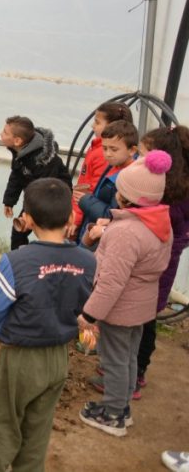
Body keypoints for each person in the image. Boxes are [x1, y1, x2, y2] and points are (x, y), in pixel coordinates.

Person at [0, 178, 96, 470]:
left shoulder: (17, 261)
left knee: (1, 424)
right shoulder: (88, 261)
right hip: (58, 357)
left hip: (21, 357)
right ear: (71, 216)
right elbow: (84, 303)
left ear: (27, 219)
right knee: (37, 431)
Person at [78, 151, 173, 437]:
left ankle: (113, 415)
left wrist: (89, 314)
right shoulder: (157, 222)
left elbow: (111, 282)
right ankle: (122, 408)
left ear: (127, 196)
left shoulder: (126, 232)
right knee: (129, 357)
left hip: (120, 309)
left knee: (114, 360)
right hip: (141, 306)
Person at [133, 127, 189, 396]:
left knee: (144, 317)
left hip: (159, 261)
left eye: (143, 157)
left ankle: (136, 371)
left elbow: (176, 232)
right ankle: (131, 367)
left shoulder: (171, 193)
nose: (139, 161)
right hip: (161, 258)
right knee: (144, 315)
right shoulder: (173, 185)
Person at [0, 116, 71, 250]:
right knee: (19, 231)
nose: (0, 134)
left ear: (17, 140)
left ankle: (52, 263)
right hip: (36, 196)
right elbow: (16, 176)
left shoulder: (43, 161)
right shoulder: (21, 152)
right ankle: (20, 264)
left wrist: (28, 214)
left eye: (5, 132)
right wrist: (9, 201)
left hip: (55, 200)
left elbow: (43, 190)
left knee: (49, 235)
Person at [70, 102, 134, 238]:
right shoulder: (102, 151)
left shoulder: (104, 156)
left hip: (93, 221)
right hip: (88, 214)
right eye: (106, 148)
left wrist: (76, 219)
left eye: (97, 122)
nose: (92, 126)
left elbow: (91, 193)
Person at [76, 120, 139, 249]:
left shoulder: (128, 180)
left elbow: (113, 215)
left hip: (102, 241)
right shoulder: (112, 166)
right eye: (104, 148)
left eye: (114, 149)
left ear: (132, 150)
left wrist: (85, 200)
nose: (108, 154)